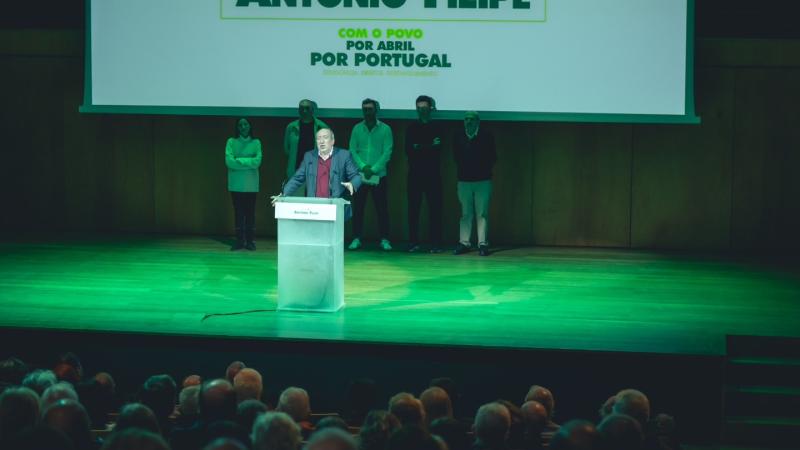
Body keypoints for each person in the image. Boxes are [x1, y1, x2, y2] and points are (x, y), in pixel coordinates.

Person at [273, 128, 361, 220]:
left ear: (332, 141)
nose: (321, 141)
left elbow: (356, 176)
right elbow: (297, 178)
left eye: (325, 137)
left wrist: (352, 184)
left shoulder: (344, 155)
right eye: (318, 138)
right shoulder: (309, 156)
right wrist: (284, 194)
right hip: (314, 209)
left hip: (335, 208)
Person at [348, 98, 394, 251]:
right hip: (360, 176)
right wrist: (363, 167)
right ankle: (356, 238)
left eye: (370, 109)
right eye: (365, 109)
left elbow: (387, 152)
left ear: (376, 110)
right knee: (358, 208)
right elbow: (353, 150)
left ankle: (385, 239)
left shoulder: (385, 129)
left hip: (379, 176)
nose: (367, 112)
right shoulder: (356, 129)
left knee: (382, 209)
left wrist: (373, 169)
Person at [452, 111, 496, 256]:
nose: (468, 122)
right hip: (464, 180)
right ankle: (464, 242)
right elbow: (456, 156)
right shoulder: (458, 136)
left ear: (477, 121)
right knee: (465, 213)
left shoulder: (486, 136)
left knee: (482, 213)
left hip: (482, 180)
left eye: (471, 119)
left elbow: (493, 157)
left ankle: (482, 243)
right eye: (466, 119)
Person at [405, 95, 444, 253]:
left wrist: (419, 147)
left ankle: (436, 243)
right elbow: (408, 150)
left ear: (431, 109)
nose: (421, 110)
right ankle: (413, 242)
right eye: (419, 108)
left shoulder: (438, 127)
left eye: (424, 107)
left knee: (435, 209)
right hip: (415, 174)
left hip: (433, 174)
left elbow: (438, 149)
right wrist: (428, 146)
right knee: (413, 210)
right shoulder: (411, 127)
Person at [225, 118, 262, 251]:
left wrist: (239, 160)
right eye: (240, 125)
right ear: (237, 127)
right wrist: (248, 162)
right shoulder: (231, 141)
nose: (243, 127)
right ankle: (240, 241)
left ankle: (250, 241)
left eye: (245, 124)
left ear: (250, 126)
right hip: (236, 185)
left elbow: (257, 162)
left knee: (250, 214)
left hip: (251, 185)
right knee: (238, 214)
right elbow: (229, 162)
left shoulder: (256, 142)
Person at [284, 99, 328, 182]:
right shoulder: (291, 127)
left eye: (307, 108)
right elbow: (287, 149)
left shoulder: (322, 127)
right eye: (301, 108)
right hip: (295, 171)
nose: (304, 111)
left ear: (312, 110)